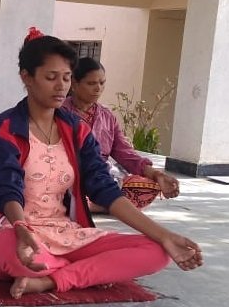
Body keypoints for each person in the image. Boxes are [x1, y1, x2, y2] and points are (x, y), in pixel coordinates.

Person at [0, 28, 202, 299]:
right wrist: (20, 227)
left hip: (63, 232)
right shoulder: (4, 128)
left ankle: (52, 279)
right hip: (12, 230)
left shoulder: (76, 131)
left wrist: (165, 235)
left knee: (157, 253)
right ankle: (84, 272)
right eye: (51, 77)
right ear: (26, 77)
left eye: (66, 78)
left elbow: (105, 189)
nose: (61, 86)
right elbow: (5, 187)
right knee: (20, 256)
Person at [62, 57, 179, 210]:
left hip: (101, 176)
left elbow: (126, 154)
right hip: (69, 173)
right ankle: (102, 204)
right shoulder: (59, 112)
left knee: (149, 186)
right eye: (91, 83)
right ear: (75, 84)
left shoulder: (107, 116)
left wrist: (158, 175)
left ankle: (89, 205)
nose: (98, 88)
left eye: (102, 83)